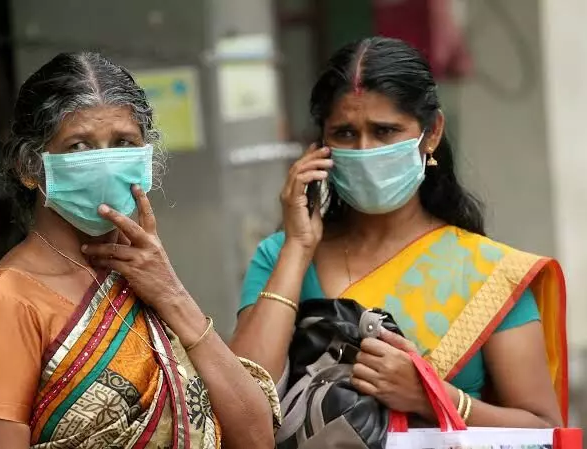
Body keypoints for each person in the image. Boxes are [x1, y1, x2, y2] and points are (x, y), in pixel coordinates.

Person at [231, 37, 567, 429]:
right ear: (320, 143)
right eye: (344, 134)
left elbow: (545, 430)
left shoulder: (488, 273)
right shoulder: (281, 256)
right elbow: (241, 403)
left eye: (385, 131)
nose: (365, 149)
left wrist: (432, 397)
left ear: (433, 132)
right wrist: (298, 246)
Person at [0, 52, 280, 449]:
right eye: (79, 146)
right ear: (29, 166)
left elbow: (257, 437)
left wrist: (173, 295)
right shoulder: (3, 305)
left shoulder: (144, 280)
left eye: (123, 142)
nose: (104, 162)